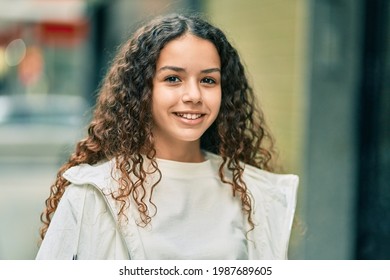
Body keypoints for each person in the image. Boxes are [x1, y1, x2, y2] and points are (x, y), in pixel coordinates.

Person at [36, 13, 299, 260]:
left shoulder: (255, 194)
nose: (194, 95)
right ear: (142, 90)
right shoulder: (91, 193)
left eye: (208, 81)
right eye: (173, 78)